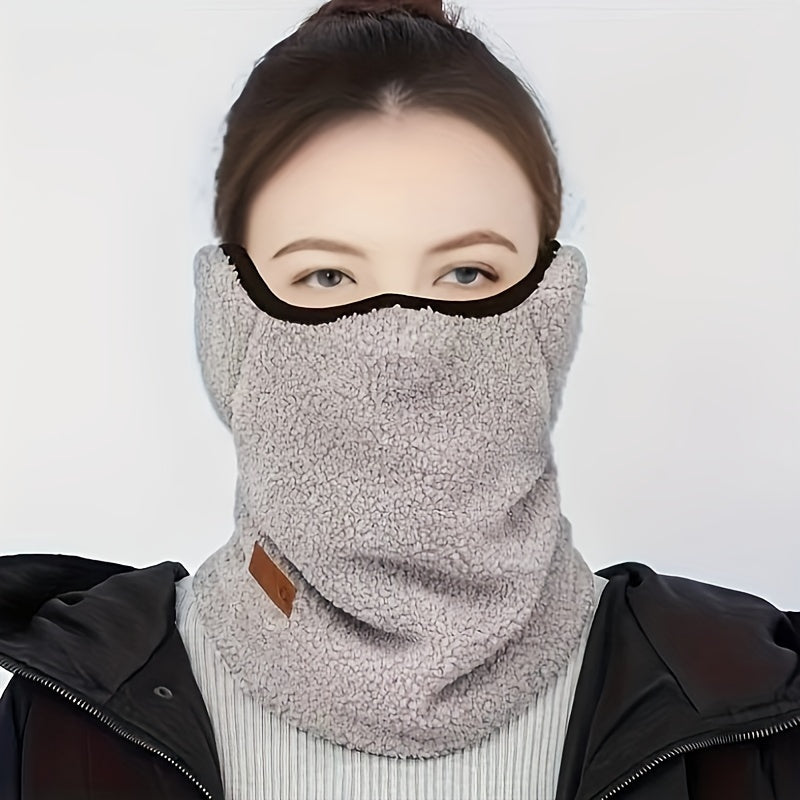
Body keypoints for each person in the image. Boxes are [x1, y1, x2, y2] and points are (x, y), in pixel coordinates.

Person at [1, 0, 798, 798]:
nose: (403, 342)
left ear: (552, 306)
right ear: (230, 314)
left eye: (467, 273)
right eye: (326, 275)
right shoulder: (66, 721)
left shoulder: (750, 709)